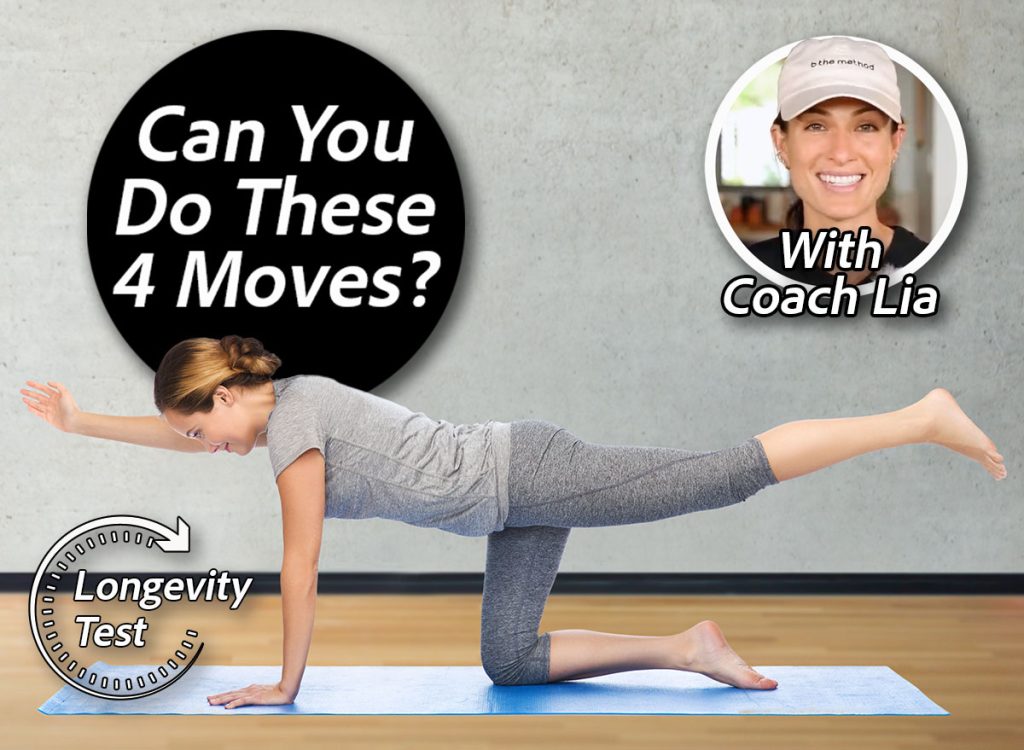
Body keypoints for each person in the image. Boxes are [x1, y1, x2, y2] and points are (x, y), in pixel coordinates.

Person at [20, 335, 1005, 708]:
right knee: (508, 659)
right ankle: (690, 646)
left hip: (528, 473)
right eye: (196, 440)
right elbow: (178, 438)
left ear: (234, 390)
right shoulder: (275, 416)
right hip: (504, 508)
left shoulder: (296, 426)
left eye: (206, 430)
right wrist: (78, 424)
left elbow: (300, 560)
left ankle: (914, 417)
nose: (208, 448)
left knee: (718, 478)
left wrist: (286, 683)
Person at [749, 36, 930, 286]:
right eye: (816, 126)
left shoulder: (939, 273)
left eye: (866, 126)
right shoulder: (745, 276)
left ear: (895, 142)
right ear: (782, 143)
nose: (842, 153)